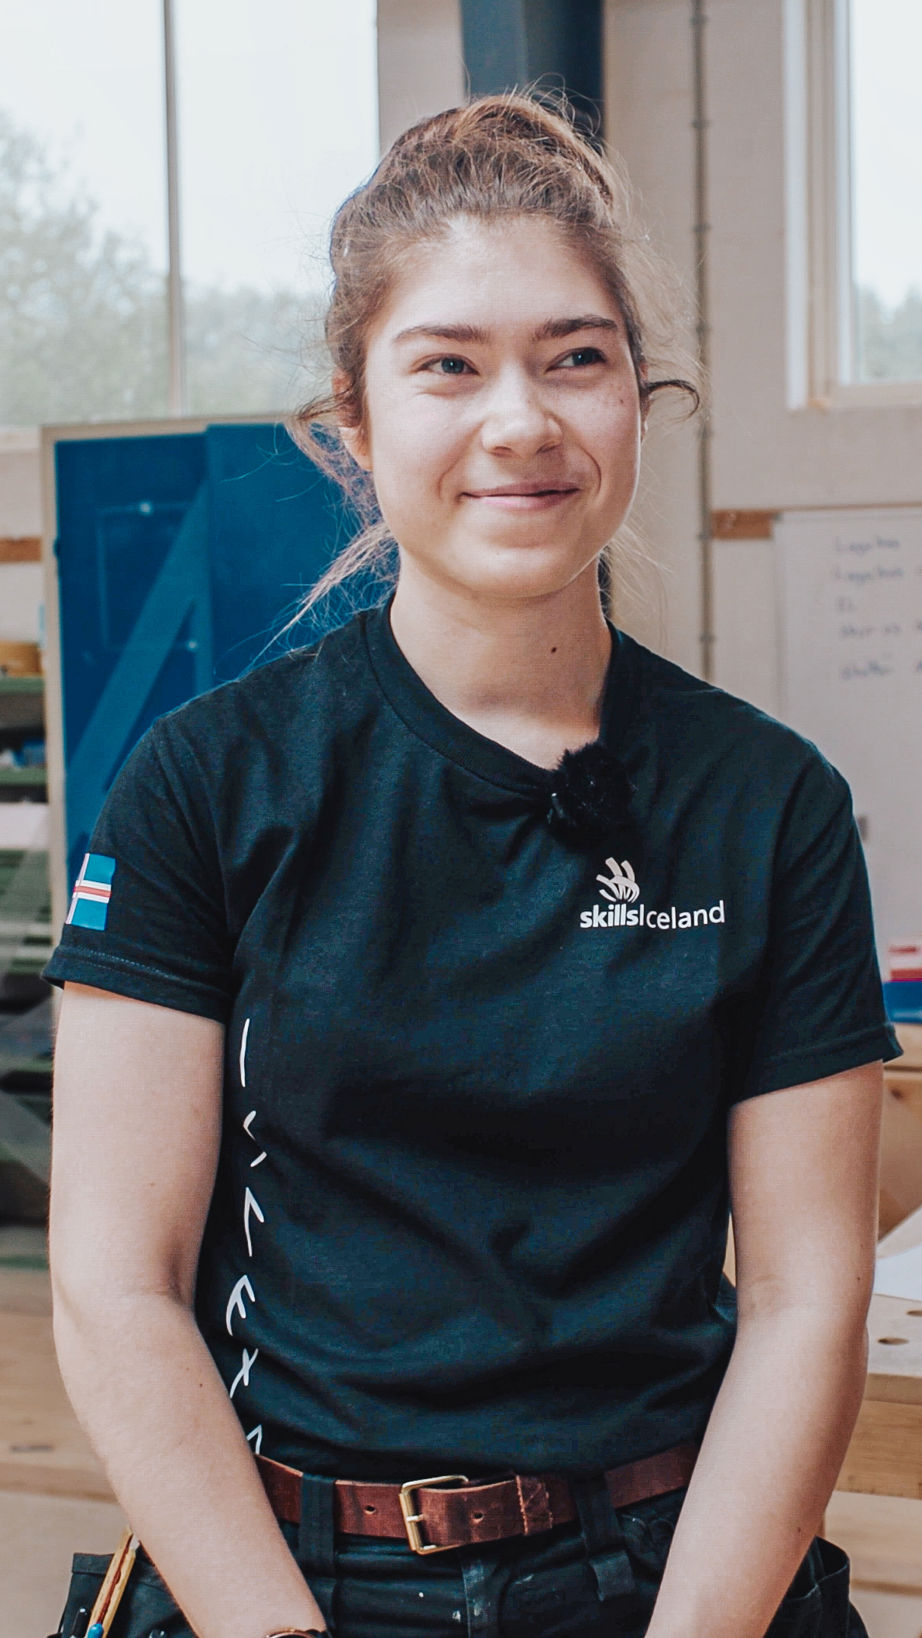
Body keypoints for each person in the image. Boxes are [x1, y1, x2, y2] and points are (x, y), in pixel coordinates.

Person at [45, 93, 899, 1638]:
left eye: (574, 358)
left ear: (637, 397)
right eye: (447, 364)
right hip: (294, 1570)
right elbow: (116, 1286)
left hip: (673, 1566)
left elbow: (800, 1300)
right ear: (354, 424)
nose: (520, 421)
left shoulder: (764, 803)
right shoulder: (208, 784)